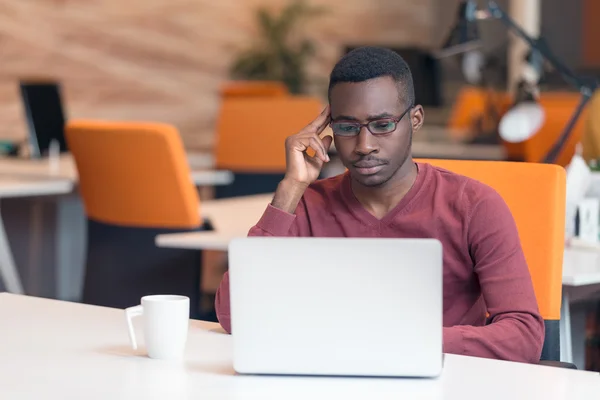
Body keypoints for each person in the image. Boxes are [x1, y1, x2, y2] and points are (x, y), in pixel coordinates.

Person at [214, 46, 545, 364]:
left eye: (383, 125)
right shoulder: (307, 203)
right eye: (347, 127)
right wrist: (290, 188)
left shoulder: (475, 205)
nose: (364, 145)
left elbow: (524, 335)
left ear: (415, 119)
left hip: (446, 382)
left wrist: (403, 340)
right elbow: (234, 314)